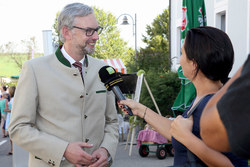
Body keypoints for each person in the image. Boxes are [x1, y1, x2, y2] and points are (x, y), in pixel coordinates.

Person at [118, 26, 248, 166]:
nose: (180, 60)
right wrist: (140, 110)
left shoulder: (213, 106)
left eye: (182, 54)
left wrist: (187, 138)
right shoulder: (206, 98)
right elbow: (176, 131)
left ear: (194, 64)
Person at [9, 3, 118, 167]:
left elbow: (112, 122)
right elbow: (18, 128)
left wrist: (106, 150)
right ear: (66, 32)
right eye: (89, 31)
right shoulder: (34, 69)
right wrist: (63, 150)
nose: (96, 37)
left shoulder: (104, 70)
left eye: (97, 30)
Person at [200, 53, 250, 159]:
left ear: (194, 63)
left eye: (183, 54)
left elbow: (209, 132)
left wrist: (185, 135)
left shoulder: (207, 103)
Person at [4, 86, 15, 155]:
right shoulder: (13, 99)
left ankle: (13, 149)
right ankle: (12, 149)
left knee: (11, 135)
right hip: (10, 117)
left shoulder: (13, 99)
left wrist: (7, 110)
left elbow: (14, 110)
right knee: (11, 135)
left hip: (11, 117)